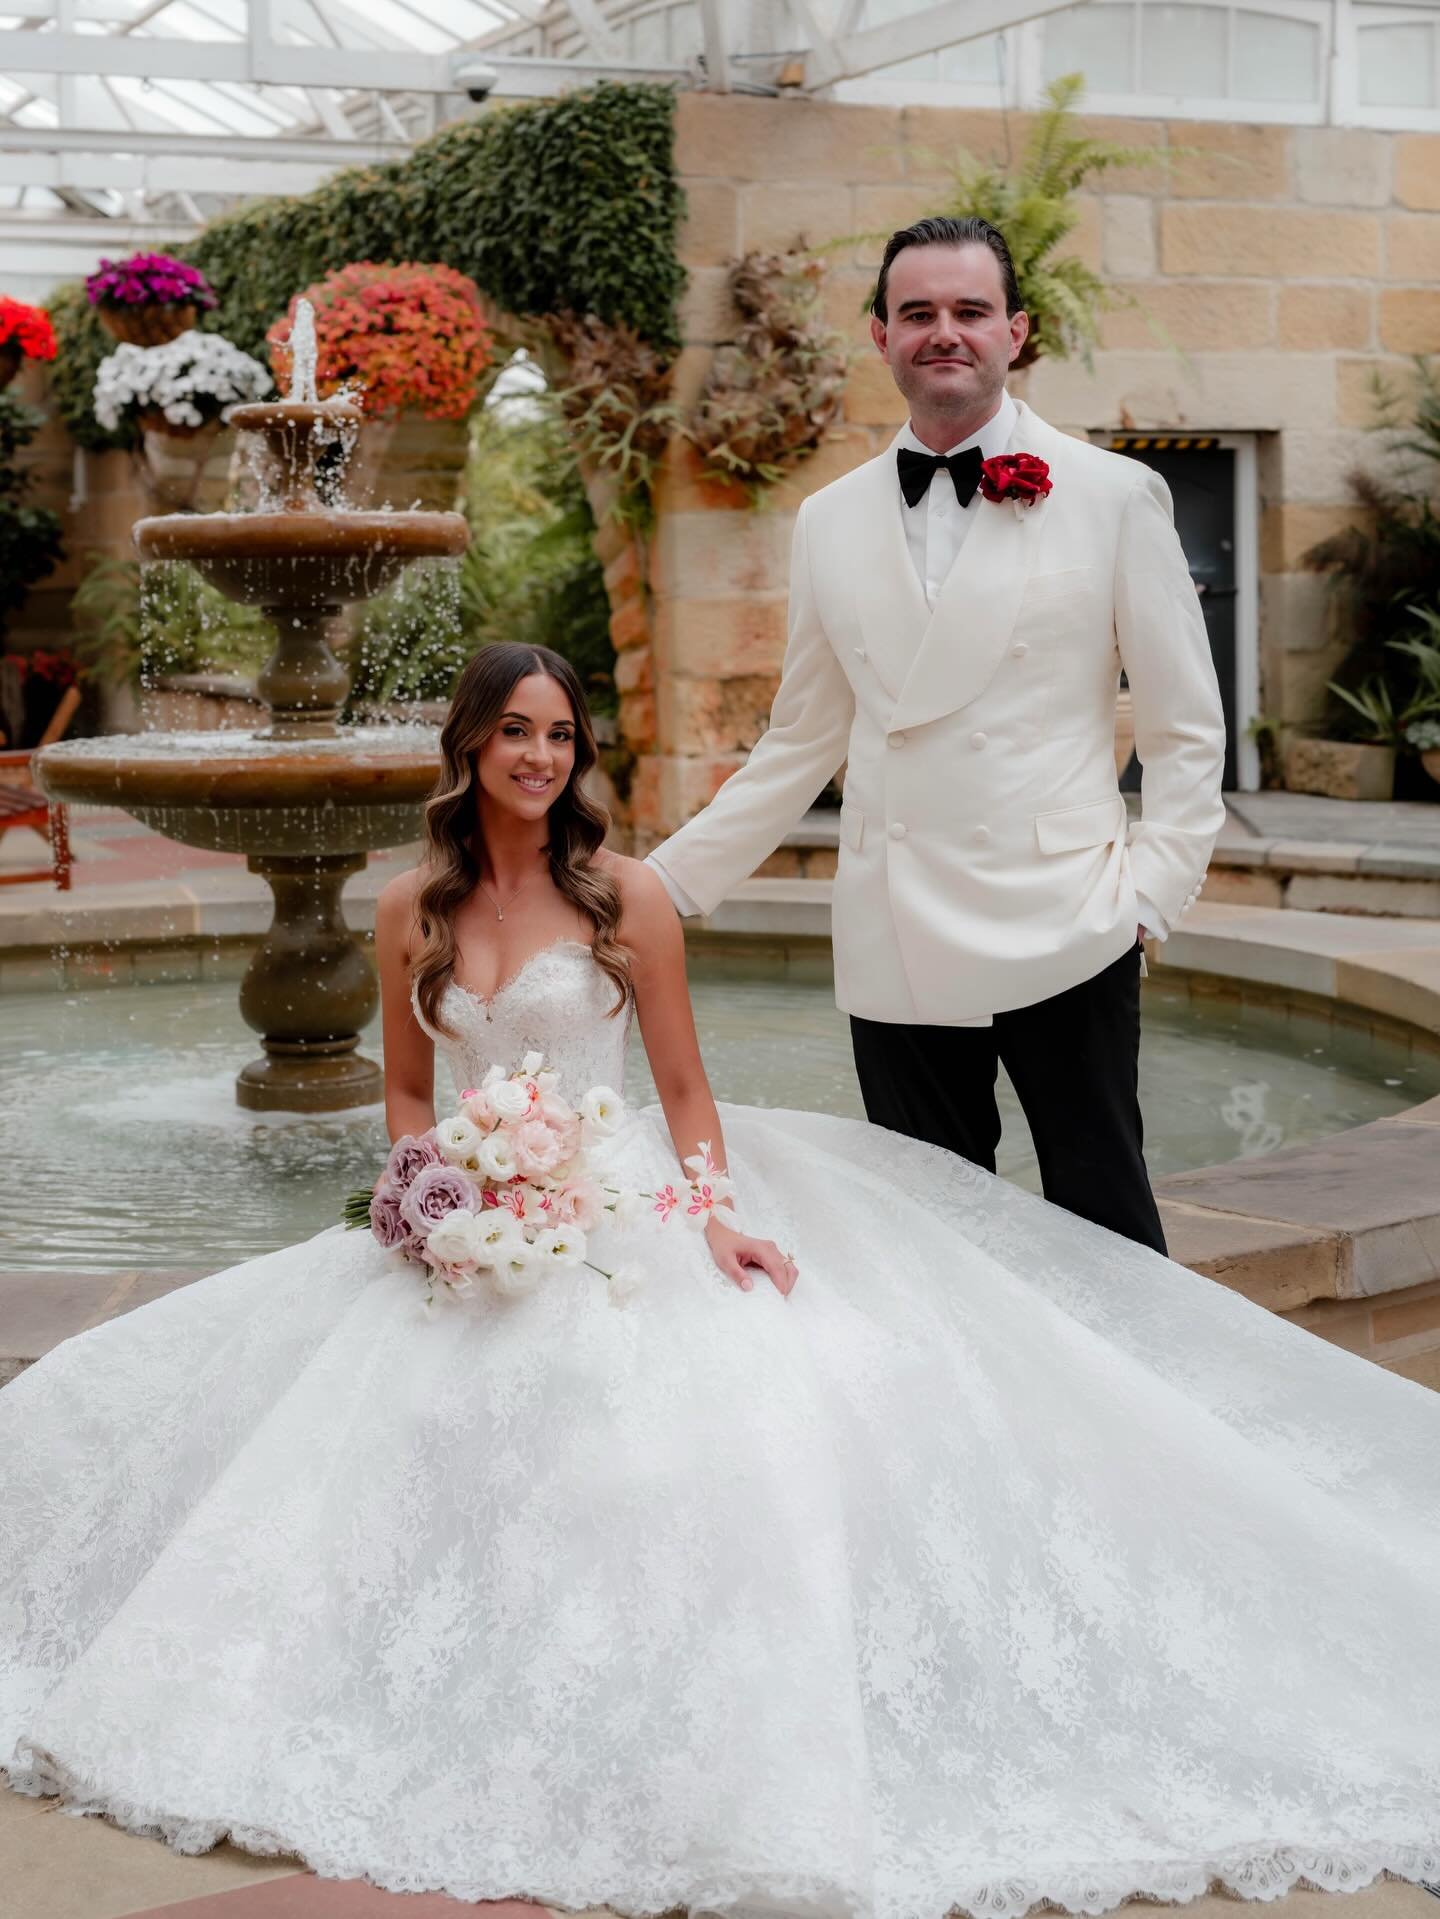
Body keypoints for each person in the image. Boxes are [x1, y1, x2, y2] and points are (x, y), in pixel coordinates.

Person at [2, 643, 1438, 1919]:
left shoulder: (625, 894)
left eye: (561, 732)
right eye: (515, 729)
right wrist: (426, 1189)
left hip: (621, 1194)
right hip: (472, 1218)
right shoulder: (406, 905)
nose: (540, 754)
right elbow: (406, 1089)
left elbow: (686, 1089)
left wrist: (716, 1219)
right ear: (470, 744)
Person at [648, 215, 1228, 1255]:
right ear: (881, 336)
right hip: (896, 924)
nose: (944, 332)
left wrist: (1149, 896)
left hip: (1069, 919)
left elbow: (1186, 724)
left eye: (970, 310)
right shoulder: (828, 519)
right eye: (917, 313)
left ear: (1016, 331)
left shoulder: (1112, 496)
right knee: (927, 1242)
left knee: (1107, 1227)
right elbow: (801, 739)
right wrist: (664, 884)